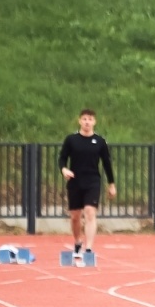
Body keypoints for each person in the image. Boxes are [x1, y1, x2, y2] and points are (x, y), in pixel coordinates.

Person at [59, 108, 117, 266]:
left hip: (93, 181)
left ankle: (89, 248)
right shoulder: (71, 139)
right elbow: (62, 158)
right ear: (79, 121)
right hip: (75, 181)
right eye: (84, 119)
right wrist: (64, 169)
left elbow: (107, 164)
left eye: (90, 119)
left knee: (90, 212)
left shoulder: (100, 142)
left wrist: (111, 184)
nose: (87, 122)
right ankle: (78, 242)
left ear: (94, 122)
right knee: (75, 216)